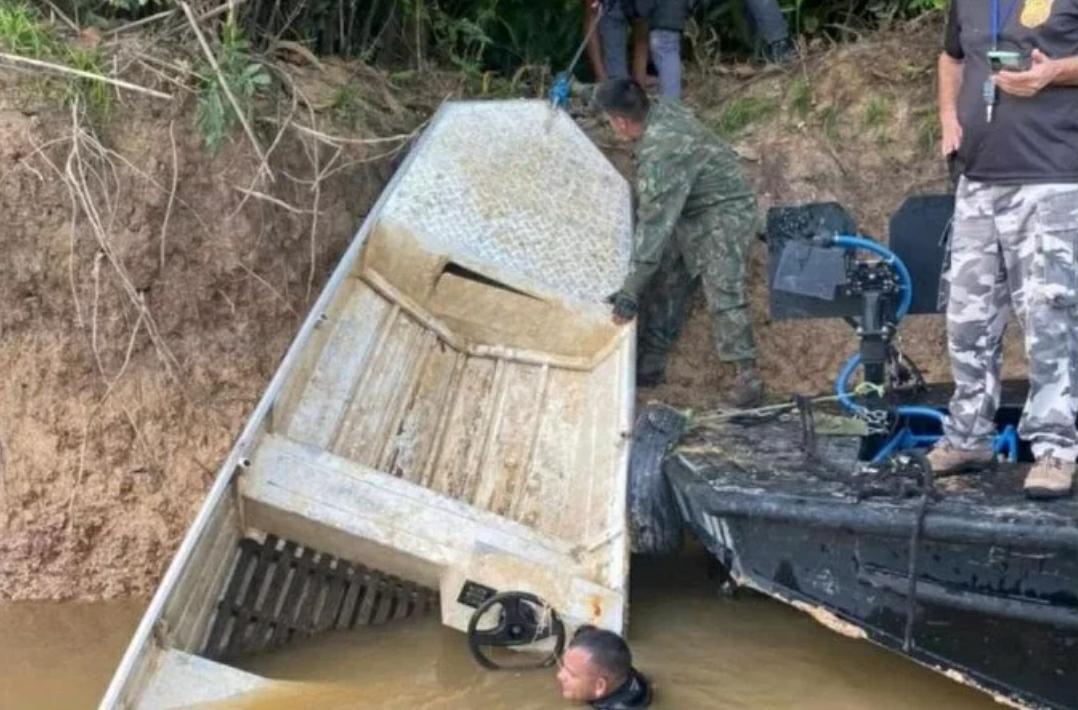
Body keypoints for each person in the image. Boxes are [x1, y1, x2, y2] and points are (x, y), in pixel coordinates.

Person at [930, 0, 1078, 498]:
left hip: (1053, 179)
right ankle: (969, 436)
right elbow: (952, 58)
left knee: (1050, 318)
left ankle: (1057, 449)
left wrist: (1054, 73)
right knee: (967, 318)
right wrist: (949, 115)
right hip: (978, 182)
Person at [596, 78, 764, 407]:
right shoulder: (656, 110)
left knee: (722, 288)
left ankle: (748, 379)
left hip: (726, 210)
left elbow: (654, 226)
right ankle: (651, 364)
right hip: (693, 209)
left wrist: (630, 291)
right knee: (669, 277)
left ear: (620, 122)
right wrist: (575, 88)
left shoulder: (661, 154)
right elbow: (613, 92)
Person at [557, 625, 652, 708]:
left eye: (572, 675)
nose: (560, 675)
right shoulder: (620, 670)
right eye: (563, 666)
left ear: (600, 686)